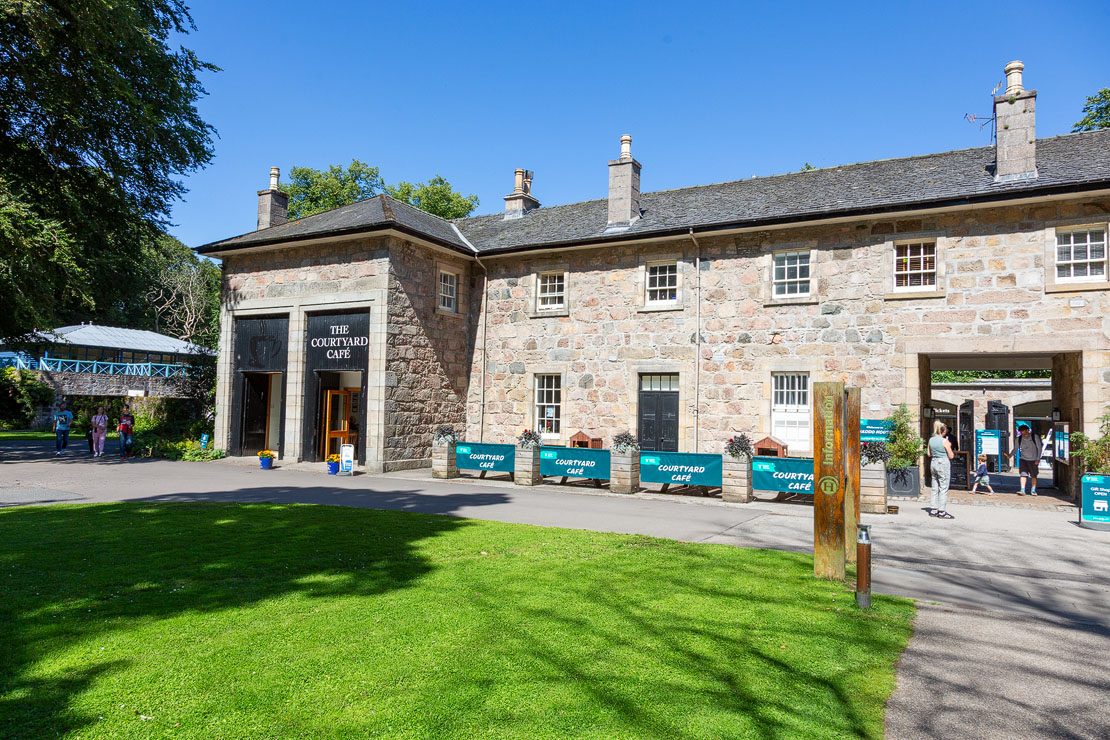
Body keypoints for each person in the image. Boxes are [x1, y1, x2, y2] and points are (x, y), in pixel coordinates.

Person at [926, 420, 955, 519]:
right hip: (943, 462)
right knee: (943, 487)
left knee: (935, 487)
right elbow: (951, 455)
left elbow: (928, 454)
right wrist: (949, 446)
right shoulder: (944, 441)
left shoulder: (931, 440)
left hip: (933, 462)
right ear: (943, 432)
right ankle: (942, 511)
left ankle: (933, 509)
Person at [1008, 424, 1044, 496]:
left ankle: (1033, 490)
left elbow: (1039, 448)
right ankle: (1022, 489)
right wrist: (1010, 455)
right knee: (1023, 474)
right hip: (1023, 459)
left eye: (1023, 431)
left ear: (1027, 430)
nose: (1022, 433)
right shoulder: (1019, 439)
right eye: (1021, 431)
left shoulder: (1034, 437)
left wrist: (1038, 458)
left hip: (1033, 459)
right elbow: (1016, 448)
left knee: (1034, 475)